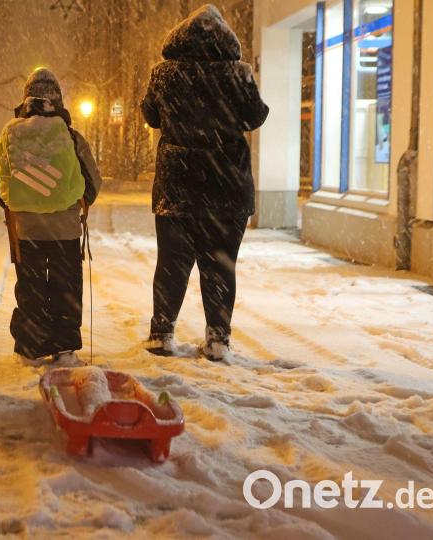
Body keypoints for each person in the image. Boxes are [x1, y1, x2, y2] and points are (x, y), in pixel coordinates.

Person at [140, 4, 269, 362]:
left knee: (172, 263)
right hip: (226, 187)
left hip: (177, 185)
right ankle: (217, 339)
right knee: (220, 266)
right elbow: (256, 116)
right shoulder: (238, 74)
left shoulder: (164, 74)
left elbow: (151, 115)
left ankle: (162, 333)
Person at [0, 69, 102, 365]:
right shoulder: (71, 137)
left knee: (31, 289)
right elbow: (92, 182)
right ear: (58, 100)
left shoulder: (11, 134)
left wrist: (22, 207)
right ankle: (64, 349)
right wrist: (73, 205)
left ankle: (30, 349)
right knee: (66, 288)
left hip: (26, 230)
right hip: (65, 229)